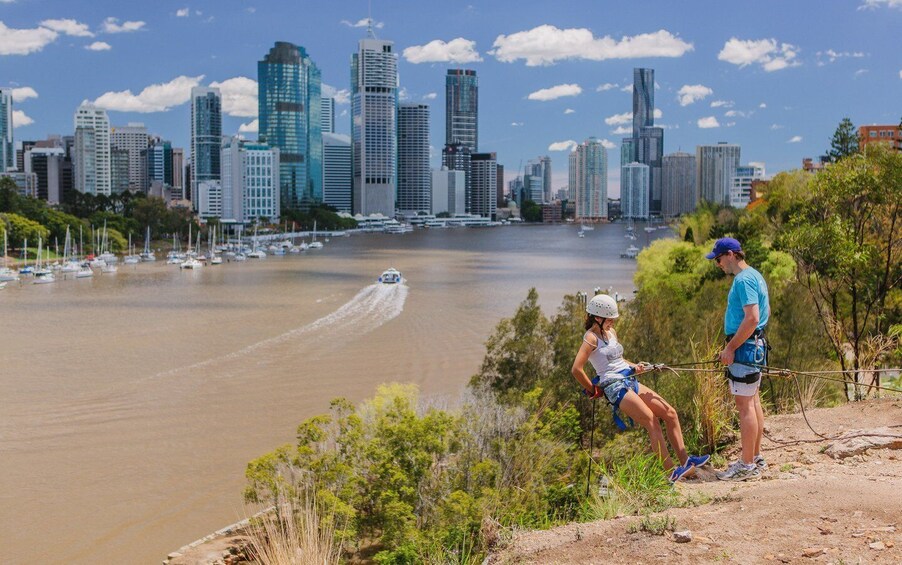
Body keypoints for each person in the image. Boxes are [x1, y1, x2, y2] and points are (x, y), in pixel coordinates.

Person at [571, 294, 710, 483]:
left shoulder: (611, 333)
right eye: (609, 318)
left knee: (670, 413)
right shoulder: (591, 338)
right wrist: (593, 389)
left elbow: (619, 361)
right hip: (614, 386)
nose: (612, 322)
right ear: (597, 317)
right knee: (651, 421)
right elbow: (576, 369)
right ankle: (670, 472)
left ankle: (685, 461)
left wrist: (635, 366)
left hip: (628, 378)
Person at [707, 238, 770, 481]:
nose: (718, 265)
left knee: (744, 407)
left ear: (731, 255)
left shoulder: (743, 280)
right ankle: (754, 458)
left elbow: (752, 318)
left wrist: (731, 348)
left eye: (719, 259)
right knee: (753, 402)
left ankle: (746, 465)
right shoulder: (755, 275)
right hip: (754, 346)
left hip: (744, 347)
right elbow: (765, 313)